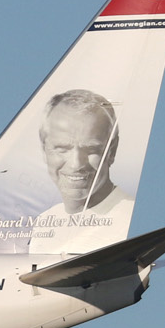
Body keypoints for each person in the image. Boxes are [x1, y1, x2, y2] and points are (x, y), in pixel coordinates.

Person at [29, 89, 133, 255]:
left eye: (91, 149)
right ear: (44, 149)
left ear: (111, 151)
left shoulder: (127, 217)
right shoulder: (46, 221)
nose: (76, 164)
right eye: (62, 149)